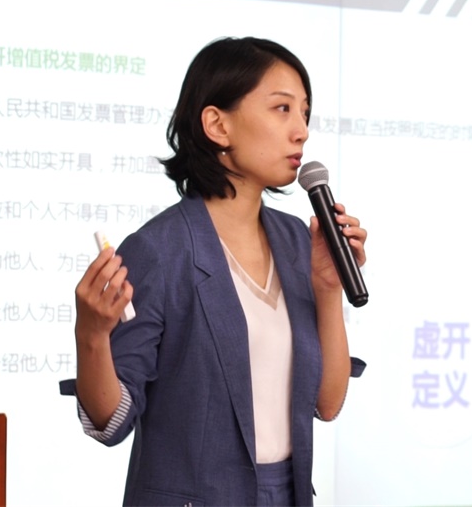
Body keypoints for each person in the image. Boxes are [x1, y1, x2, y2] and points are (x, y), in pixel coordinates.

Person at [62, 36, 367, 506]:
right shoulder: (159, 250)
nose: (302, 131)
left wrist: (328, 288)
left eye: (305, 113)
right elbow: (110, 421)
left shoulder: (297, 241)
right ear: (217, 125)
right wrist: (91, 336)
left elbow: (326, 404)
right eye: (282, 109)